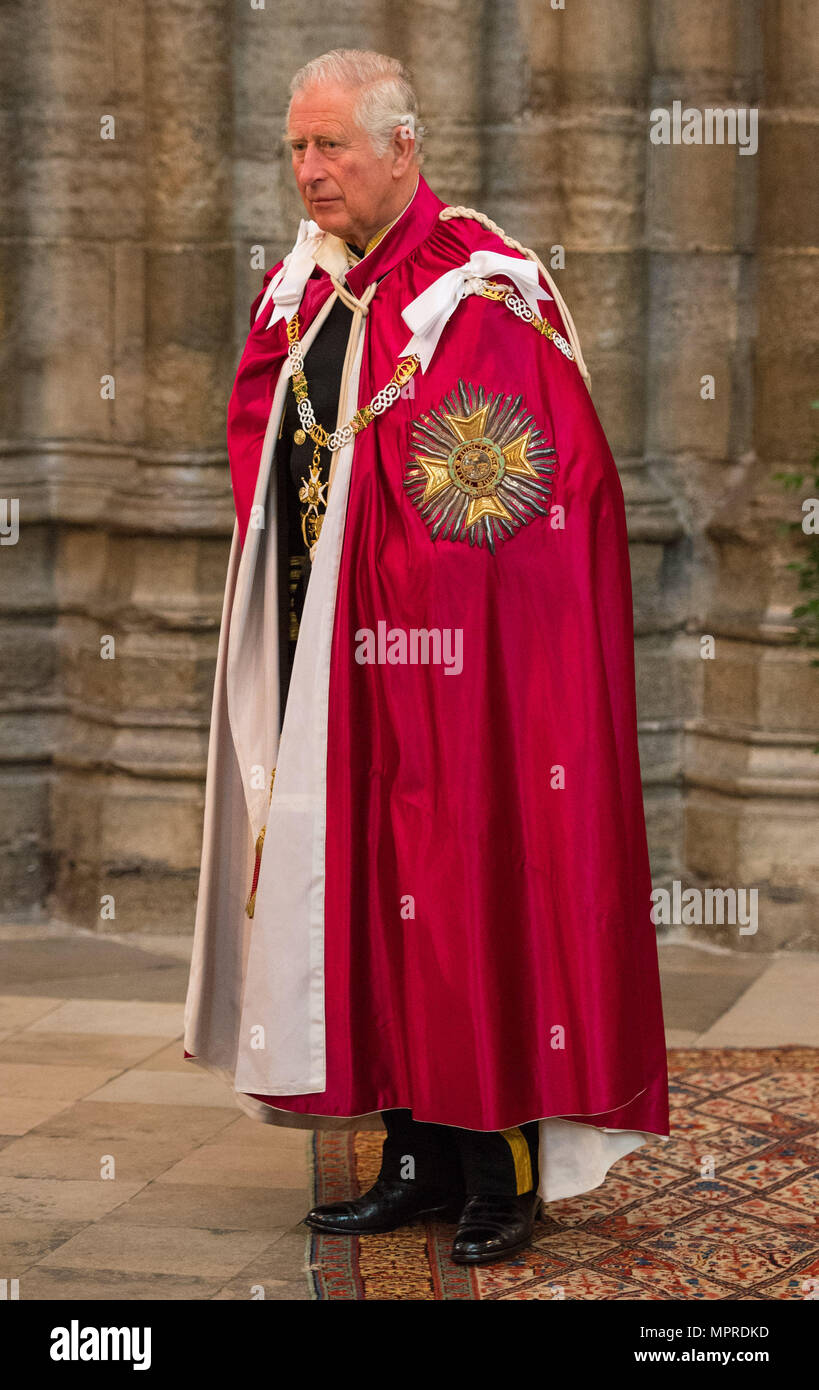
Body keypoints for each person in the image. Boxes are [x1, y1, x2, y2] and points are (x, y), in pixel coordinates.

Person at [183, 47, 670, 1267]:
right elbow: (274, 450)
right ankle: (408, 1150)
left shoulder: (482, 289)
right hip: (325, 656)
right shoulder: (308, 286)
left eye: (330, 145)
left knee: (463, 900)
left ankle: (496, 1170)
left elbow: (520, 495)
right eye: (295, 148)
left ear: (403, 148)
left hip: (454, 676)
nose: (309, 172)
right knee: (354, 897)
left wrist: (428, 617)